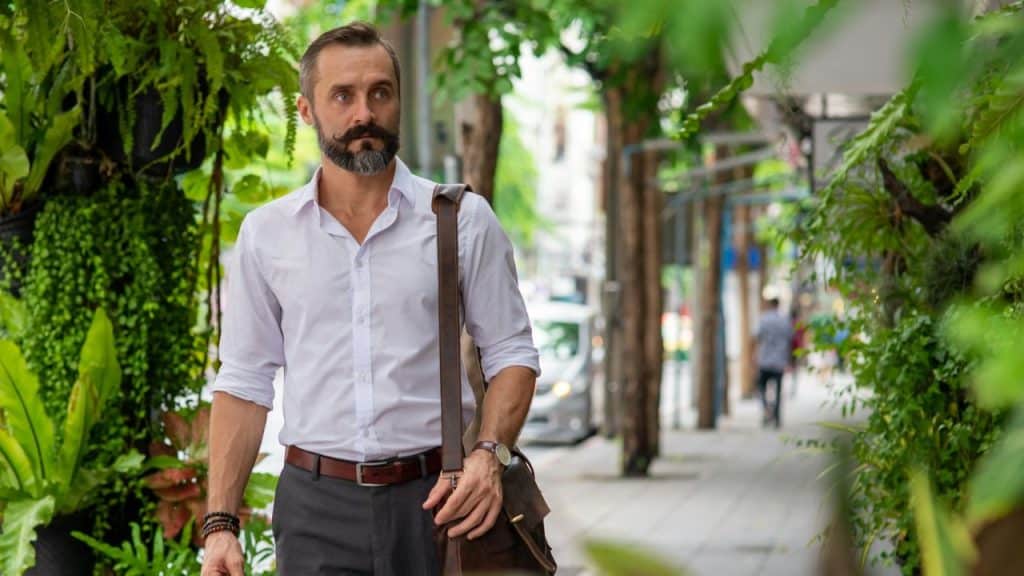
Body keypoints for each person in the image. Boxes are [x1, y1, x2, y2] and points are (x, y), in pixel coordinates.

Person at [200, 22, 540, 576]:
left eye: (380, 92)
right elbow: (243, 382)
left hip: (439, 501)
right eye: (343, 95)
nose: (365, 113)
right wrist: (220, 526)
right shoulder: (267, 234)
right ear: (306, 111)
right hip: (314, 508)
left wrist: (489, 457)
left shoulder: (461, 220)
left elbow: (513, 355)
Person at [755, 298, 793, 428]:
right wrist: (790, 360)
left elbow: (757, 337)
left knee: (761, 388)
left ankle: (767, 410)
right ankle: (777, 417)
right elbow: (790, 340)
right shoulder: (785, 320)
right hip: (779, 361)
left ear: (769, 305)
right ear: (778, 305)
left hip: (765, 360)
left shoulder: (763, 319)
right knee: (778, 391)